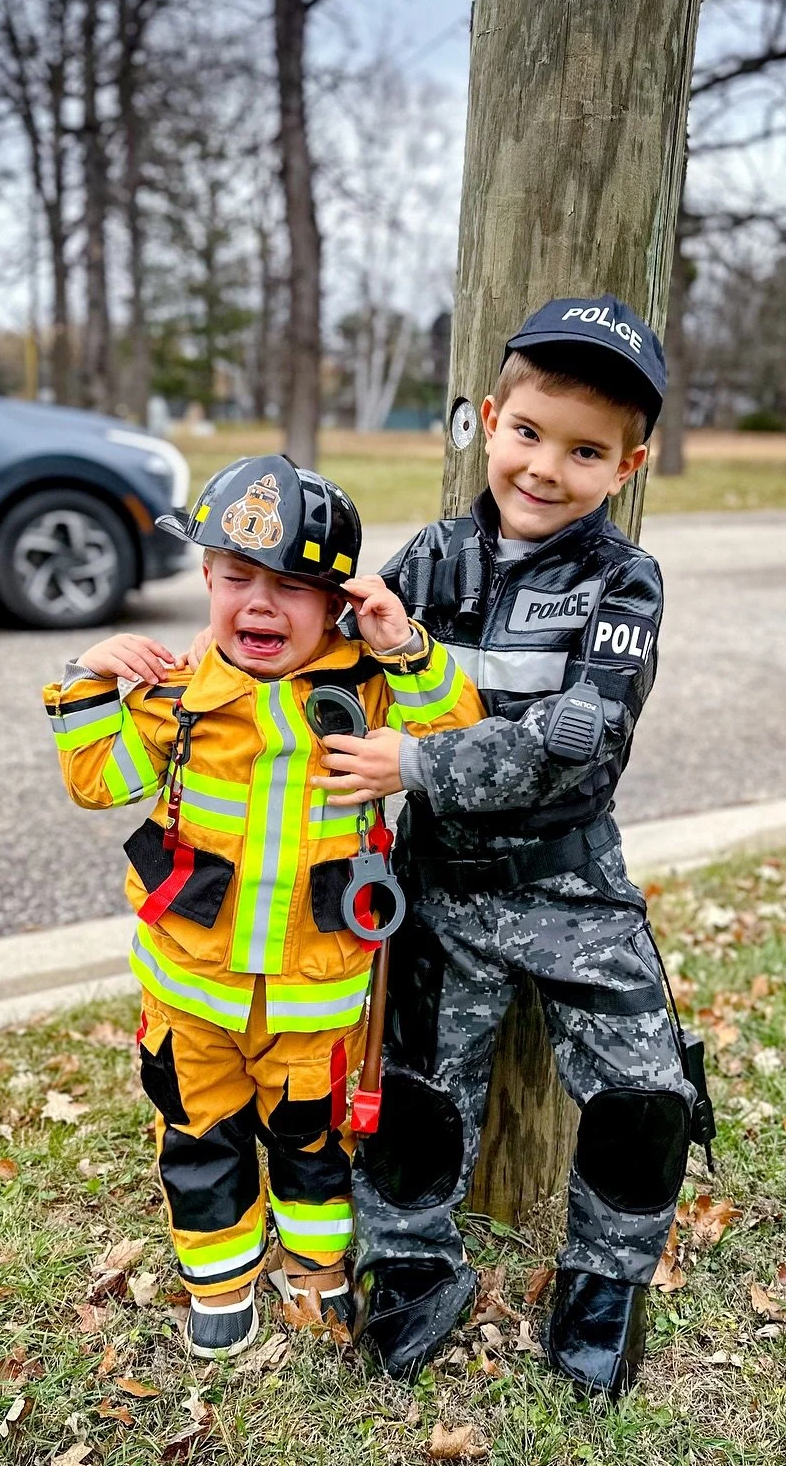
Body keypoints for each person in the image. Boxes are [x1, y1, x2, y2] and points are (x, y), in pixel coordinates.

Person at [314, 296, 714, 1400]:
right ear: (490, 419)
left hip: (568, 881)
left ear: (628, 463)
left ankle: (605, 1279)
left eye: (585, 451)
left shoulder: (624, 584)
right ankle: (410, 1262)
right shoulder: (432, 561)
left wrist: (419, 764)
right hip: (437, 884)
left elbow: (577, 749)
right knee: (411, 1096)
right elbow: (326, 662)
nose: (545, 467)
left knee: (645, 1097)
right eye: (529, 433)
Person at [42, 456, 482, 1360]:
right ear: (206, 578)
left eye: (292, 587)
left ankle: (315, 1272)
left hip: (317, 994)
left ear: (337, 605)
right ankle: (219, 1280)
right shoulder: (178, 694)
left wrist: (406, 649)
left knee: (311, 1143)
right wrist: (87, 681)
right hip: (191, 989)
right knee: (199, 1136)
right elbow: (101, 778)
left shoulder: (366, 691)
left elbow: (456, 734)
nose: (260, 605)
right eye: (237, 578)